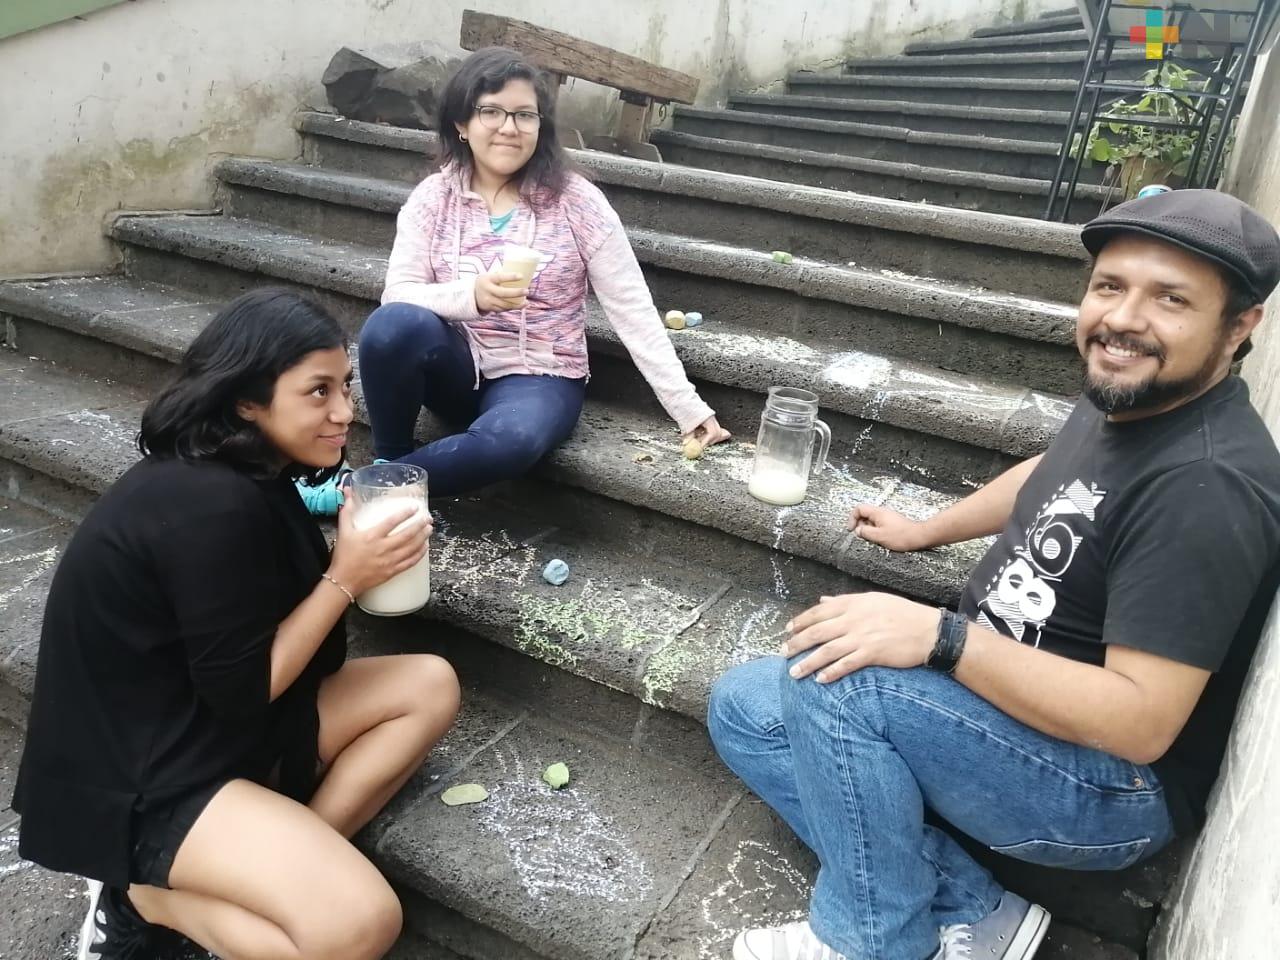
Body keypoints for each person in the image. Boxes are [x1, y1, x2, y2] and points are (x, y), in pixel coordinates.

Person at [708, 189, 1280, 960]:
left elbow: (1141, 724)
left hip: (1107, 792)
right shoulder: (1133, 396)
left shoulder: (1207, 488)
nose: (1123, 319)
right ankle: (975, 908)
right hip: (1008, 709)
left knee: (842, 684)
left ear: (1240, 325)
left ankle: (873, 940)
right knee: (746, 705)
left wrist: (942, 639)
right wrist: (926, 530)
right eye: (1110, 286)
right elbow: (1055, 472)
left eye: (1170, 299)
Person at [12, 289, 459, 960]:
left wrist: (352, 557)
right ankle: (142, 898)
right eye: (318, 392)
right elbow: (243, 690)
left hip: (203, 724)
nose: (344, 412)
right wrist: (345, 576)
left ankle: (256, 875)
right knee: (361, 926)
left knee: (428, 684)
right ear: (247, 401)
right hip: (144, 778)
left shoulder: (248, 471)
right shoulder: (208, 505)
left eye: (345, 386)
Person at [296, 46, 728, 514]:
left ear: (541, 126)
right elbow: (399, 293)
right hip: (456, 370)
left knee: (512, 442)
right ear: (462, 123)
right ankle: (392, 460)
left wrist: (688, 408)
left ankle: (365, 489)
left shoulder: (577, 201)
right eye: (491, 111)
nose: (509, 127)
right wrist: (472, 296)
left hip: (540, 377)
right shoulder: (433, 198)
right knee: (391, 325)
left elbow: (632, 308)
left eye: (525, 114)